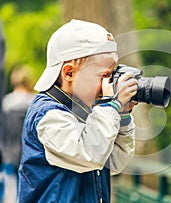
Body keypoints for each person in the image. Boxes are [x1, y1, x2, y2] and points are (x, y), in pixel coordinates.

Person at [18, 19, 138, 203]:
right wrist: (110, 106)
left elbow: (113, 162)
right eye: (105, 76)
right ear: (69, 73)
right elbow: (91, 154)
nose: (110, 83)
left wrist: (121, 115)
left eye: (113, 75)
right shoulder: (47, 115)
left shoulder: (88, 110)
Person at [0, 65, 35, 203]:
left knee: (9, 193)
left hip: (9, 154)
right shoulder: (34, 102)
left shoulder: (6, 103)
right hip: (29, 153)